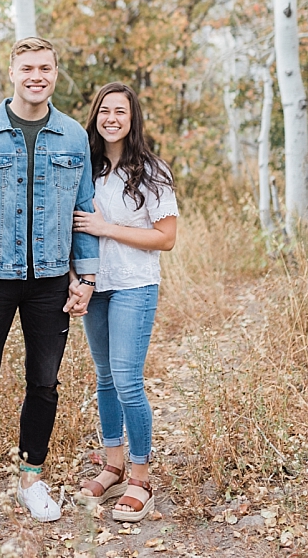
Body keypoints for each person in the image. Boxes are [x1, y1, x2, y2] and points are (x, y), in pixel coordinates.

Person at [0, 37, 99, 529]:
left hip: (51, 280)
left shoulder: (73, 136)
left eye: (46, 68)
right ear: (12, 72)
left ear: (55, 73)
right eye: (28, 67)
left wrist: (85, 277)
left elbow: (85, 210)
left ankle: (32, 480)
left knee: (44, 383)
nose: (37, 76)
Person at [72, 83, 177, 523]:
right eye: (104, 110)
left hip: (135, 284)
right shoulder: (84, 168)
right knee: (104, 379)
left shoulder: (152, 171)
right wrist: (75, 279)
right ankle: (113, 465)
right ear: (95, 116)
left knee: (128, 380)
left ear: (133, 119)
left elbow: (166, 238)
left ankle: (141, 476)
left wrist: (106, 227)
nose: (111, 118)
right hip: (94, 285)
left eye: (121, 111)